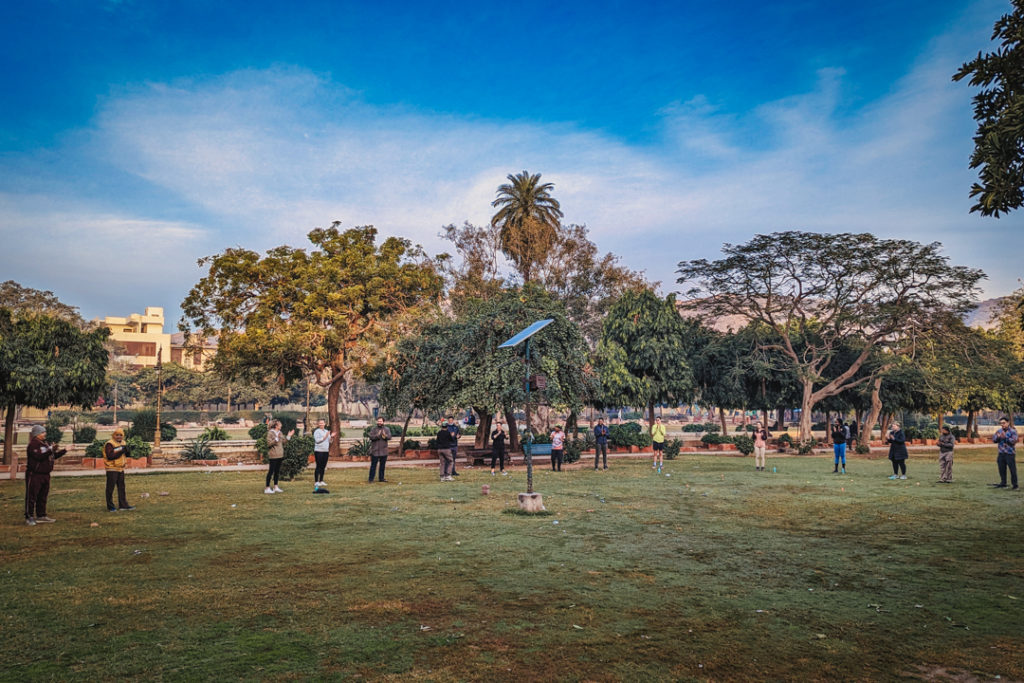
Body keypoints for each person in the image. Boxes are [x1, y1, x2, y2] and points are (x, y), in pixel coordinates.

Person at [24, 425, 66, 525]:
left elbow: (52, 456)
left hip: (45, 474)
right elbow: (39, 456)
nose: (45, 434)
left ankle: (41, 515)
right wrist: (51, 450)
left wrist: (65, 450)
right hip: (34, 474)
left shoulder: (45, 444)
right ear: (37, 434)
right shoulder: (33, 445)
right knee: (31, 496)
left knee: (43, 496)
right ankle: (29, 516)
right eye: (43, 432)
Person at [104, 429, 136, 511]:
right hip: (112, 468)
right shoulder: (109, 444)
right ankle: (110, 506)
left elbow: (125, 454)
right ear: (113, 435)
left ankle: (123, 505)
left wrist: (128, 450)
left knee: (121, 488)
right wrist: (121, 451)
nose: (119, 437)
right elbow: (110, 456)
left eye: (121, 435)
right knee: (110, 488)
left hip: (121, 468)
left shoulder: (123, 443)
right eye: (117, 435)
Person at [990, 416, 1018, 490]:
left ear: (1008, 423)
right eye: (1001, 423)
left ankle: (1015, 485)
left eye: (1004, 423)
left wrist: (1005, 437)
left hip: (1010, 453)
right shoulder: (999, 431)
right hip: (1001, 453)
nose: (1002, 425)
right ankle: (1003, 483)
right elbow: (994, 440)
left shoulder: (1013, 431)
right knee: (1001, 469)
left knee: (1012, 470)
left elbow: (1014, 441)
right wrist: (998, 437)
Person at [264, 420, 293, 493]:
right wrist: (276, 438)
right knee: (271, 471)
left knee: (277, 472)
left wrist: (289, 436)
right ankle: (267, 488)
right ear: (276, 426)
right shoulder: (270, 433)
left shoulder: (280, 433)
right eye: (280, 424)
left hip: (280, 455)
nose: (281, 426)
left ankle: (275, 486)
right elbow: (269, 444)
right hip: (273, 455)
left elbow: (284, 442)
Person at [368, 418, 391, 483]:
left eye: (381, 421)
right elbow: (371, 437)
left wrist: (385, 436)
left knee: (382, 466)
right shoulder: (374, 429)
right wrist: (377, 436)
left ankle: (381, 478)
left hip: (383, 451)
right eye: (378, 421)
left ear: (383, 422)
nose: (379, 422)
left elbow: (389, 437)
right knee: (373, 466)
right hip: (375, 451)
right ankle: (371, 479)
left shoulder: (386, 429)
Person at [312, 418, 332, 489]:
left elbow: (330, 441)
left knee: (323, 466)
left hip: (325, 451)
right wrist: (325, 437)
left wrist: (331, 437)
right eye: (320, 423)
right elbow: (317, 441)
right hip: (319, 451)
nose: (321, 424)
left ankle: (321, 480)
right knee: (318, 466)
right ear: (318, 424)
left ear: (325, 424)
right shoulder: (317, 431)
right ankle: (316, 481)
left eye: (322, 423)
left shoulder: (326, 431)